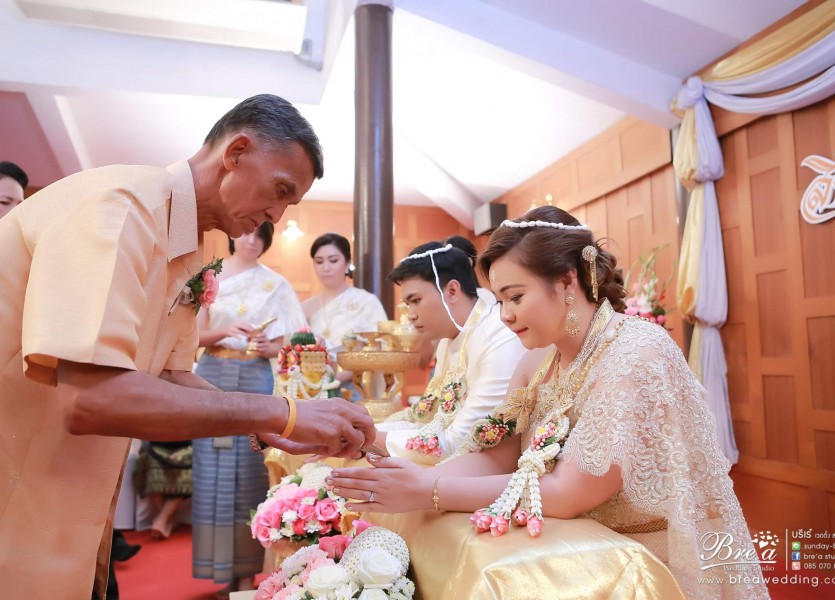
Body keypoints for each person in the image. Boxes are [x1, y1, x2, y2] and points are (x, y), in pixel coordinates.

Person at [0, 94, 375, 600]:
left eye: (290, 204)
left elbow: (170, 375)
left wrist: (274, 424)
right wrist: (281, 412)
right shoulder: (120, 210)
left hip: (68, 495)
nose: (277, 217)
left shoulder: (191, 246)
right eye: (280, 190)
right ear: (236, 152)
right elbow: (90, 398)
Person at [327, 206, 767, 600]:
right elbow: (498, 455)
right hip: (572, 548)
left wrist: (430, 490)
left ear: (567, 280)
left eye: (516, 297)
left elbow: (569, 493)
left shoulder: (635, 353)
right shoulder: (538, 360)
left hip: (641, 563)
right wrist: (409, 479)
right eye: (499, 301)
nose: (505, 315)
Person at [192, 221, 307, 597]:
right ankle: (217, 566)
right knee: (210, 471)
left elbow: (297, 340)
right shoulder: (209, 277)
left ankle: (246, 574)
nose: (251, 240)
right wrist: (225, 333)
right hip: (211, 376)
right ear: (232, 234)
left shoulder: (277, 284)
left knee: (250, 469)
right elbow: (192, 335)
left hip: (256, 377)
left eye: (260, 235)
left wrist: (268, 347)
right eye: (246, 232)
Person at [374, 241, 529, 463]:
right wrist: (368, 432)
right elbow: (429, 419)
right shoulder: (449, 338)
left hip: (492, 467)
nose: (411, 315)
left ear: (453, 291)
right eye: (408, 305)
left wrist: (370, 439)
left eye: (416, 301)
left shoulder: (499, 335)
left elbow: (462, 440)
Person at [301, 232, 387, 392]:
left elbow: (378, 350)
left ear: (347, 264)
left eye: (333, 260)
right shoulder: (306, 307)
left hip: (356, 385)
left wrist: (338, 377)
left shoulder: (366, 302)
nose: (326, 268)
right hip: (315, 385)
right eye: (319, 262)